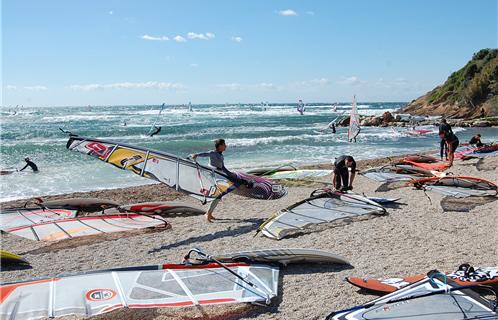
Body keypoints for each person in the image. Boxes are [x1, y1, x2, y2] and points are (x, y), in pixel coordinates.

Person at [191, 139, 252, 222]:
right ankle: (208, 214)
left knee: (221, 193)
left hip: (219, 174)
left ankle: (209, 213)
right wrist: (197, 155)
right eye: (224, 145)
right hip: (213, 175)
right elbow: (206, 154)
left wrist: (230, 174)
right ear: (220, 146)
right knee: (219, 194)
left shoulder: (221, 155)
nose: (226, 146)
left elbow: (222, 167)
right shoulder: (213, 153)